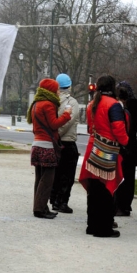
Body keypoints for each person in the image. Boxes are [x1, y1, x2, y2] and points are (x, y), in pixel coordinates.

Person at [78, 75, 128, 237]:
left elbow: (89, 128)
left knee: (94, 190)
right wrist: (126, 143)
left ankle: (92, 225)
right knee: (106, 190)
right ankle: (104, 228)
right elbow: (119, 129)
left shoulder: (92, 104)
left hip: (93, 150)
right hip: (107, 151)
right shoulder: (114, 105)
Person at [27, 78, 72, 219]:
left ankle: (39, 206)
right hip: (46, 146)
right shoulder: (48, 104)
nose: (59, 92)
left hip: (36, 144)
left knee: (40, 178)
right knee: (47, 179)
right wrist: (67, 114)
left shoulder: (36, 104)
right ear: (51, 90)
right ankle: (40, 209)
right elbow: (54, 124)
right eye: (57, 89)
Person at [49, 73, 80, 214]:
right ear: (69, 86)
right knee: (67, 175)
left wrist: (52, 136)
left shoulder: (51, 100)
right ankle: (62, 201)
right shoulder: (72, 102)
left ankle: (53, 198)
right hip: (67, 141)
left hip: (53, 141)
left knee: (55, 173)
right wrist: (58, 134)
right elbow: (67, 122)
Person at [114, 81, 137, 217]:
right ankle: (125, 205)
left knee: (122, 176)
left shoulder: (123, 110)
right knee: (129, 178)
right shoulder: (134, 107)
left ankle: (120, 205)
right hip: (132, 146)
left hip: (123, 145)